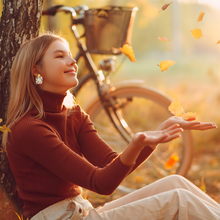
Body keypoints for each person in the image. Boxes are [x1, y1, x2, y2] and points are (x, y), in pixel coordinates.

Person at [2, 33, 219, 220]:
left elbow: (112, 166)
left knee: (175, 183)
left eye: (70, 54)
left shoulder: (75, 116)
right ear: (35, 70)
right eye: (60, 56)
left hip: (83, 212)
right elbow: (101, 183)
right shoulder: (29, 129)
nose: (72, 61)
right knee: (179, 200)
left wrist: (154, 136)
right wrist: (138, 142)